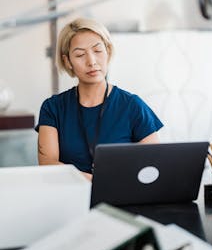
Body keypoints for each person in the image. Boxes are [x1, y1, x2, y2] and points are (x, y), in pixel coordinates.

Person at [36, 17, 163, 180]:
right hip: (70, 198)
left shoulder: (132, 105)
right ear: (67, 61)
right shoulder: (53, 108)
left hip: (122, 200)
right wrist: (98, 180)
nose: (91, 61)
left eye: (97, 51)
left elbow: (155, 161)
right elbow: (47, 164)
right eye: (80, 55)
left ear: (108, 51)